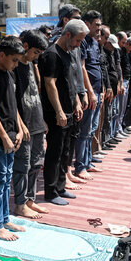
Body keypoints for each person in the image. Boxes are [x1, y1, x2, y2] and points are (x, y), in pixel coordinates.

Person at [39, 19, 87, 206]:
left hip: (69, 109)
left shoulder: (69, 52)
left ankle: (60, 186)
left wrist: (75, 103)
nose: (78, 45)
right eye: (77, 40)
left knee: (65, 151)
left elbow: (71, 82)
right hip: (55, 112)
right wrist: (58, 111)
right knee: (54, 152)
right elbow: (50, 84)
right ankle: (50, 192)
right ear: (68, 35)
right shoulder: (51, 54)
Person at [0, 37, 26, 241]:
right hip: (0, 138)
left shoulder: (10, 74)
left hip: (11, 134)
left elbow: (13, 106)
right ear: (1, 55)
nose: (16, 64)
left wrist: (19, 128)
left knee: (6, 180)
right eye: (14, 60)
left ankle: (5, 218)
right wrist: (3, 136)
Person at [13, 30, 49, 218]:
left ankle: (29, 200)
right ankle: (19, 203)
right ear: (25, 46)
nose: (36, 56)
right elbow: (12, 100)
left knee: (36, 164)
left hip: (36, 121)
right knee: (23, 165)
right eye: (35, 52)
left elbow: (35, 94)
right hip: (24, 124)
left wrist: (42, 120)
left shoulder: (30, 65)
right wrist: (20, 125)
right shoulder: (14, 66)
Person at [73, 11, 102, 180]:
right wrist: (89, 92)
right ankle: (80, 166)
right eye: (96, 25)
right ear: (88, 24)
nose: (99, 28)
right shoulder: (82, 42)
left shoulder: (95, 43)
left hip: (98, 91)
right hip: (89, 93)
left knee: (91, 130)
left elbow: (98, 65)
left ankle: (88, 162)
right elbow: (82, 68)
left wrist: (102, 89)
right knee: (84, 131)